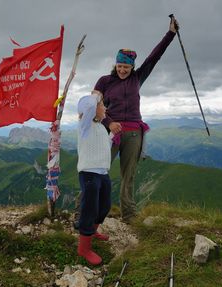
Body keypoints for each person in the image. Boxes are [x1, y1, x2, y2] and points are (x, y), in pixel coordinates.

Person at [93, 17, 179, 223]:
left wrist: (171, 34)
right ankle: (84, 209)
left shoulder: (137, 78)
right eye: (120, 66)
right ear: (115, 64)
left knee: (128, 176)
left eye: (127, 67)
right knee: (96, 170)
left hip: (133, 133)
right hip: (111, 133)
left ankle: (129, 214)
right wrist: (108, 124)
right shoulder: (104, 81)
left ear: (132, 68)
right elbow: (93, 106)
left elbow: (154, 57)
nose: (123, 70)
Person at [76, 93, 112, 265]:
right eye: (102, 105)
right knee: (89, 209)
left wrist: (113, 135)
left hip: (103, 172)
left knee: (104, 206)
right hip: (89, 173)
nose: (105, 108)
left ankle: (93, 230)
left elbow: (102, 146)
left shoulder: (100, 127)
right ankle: (83, 249)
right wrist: (96, 96)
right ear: (94, 109)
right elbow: (88, 105)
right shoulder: (85, 125)